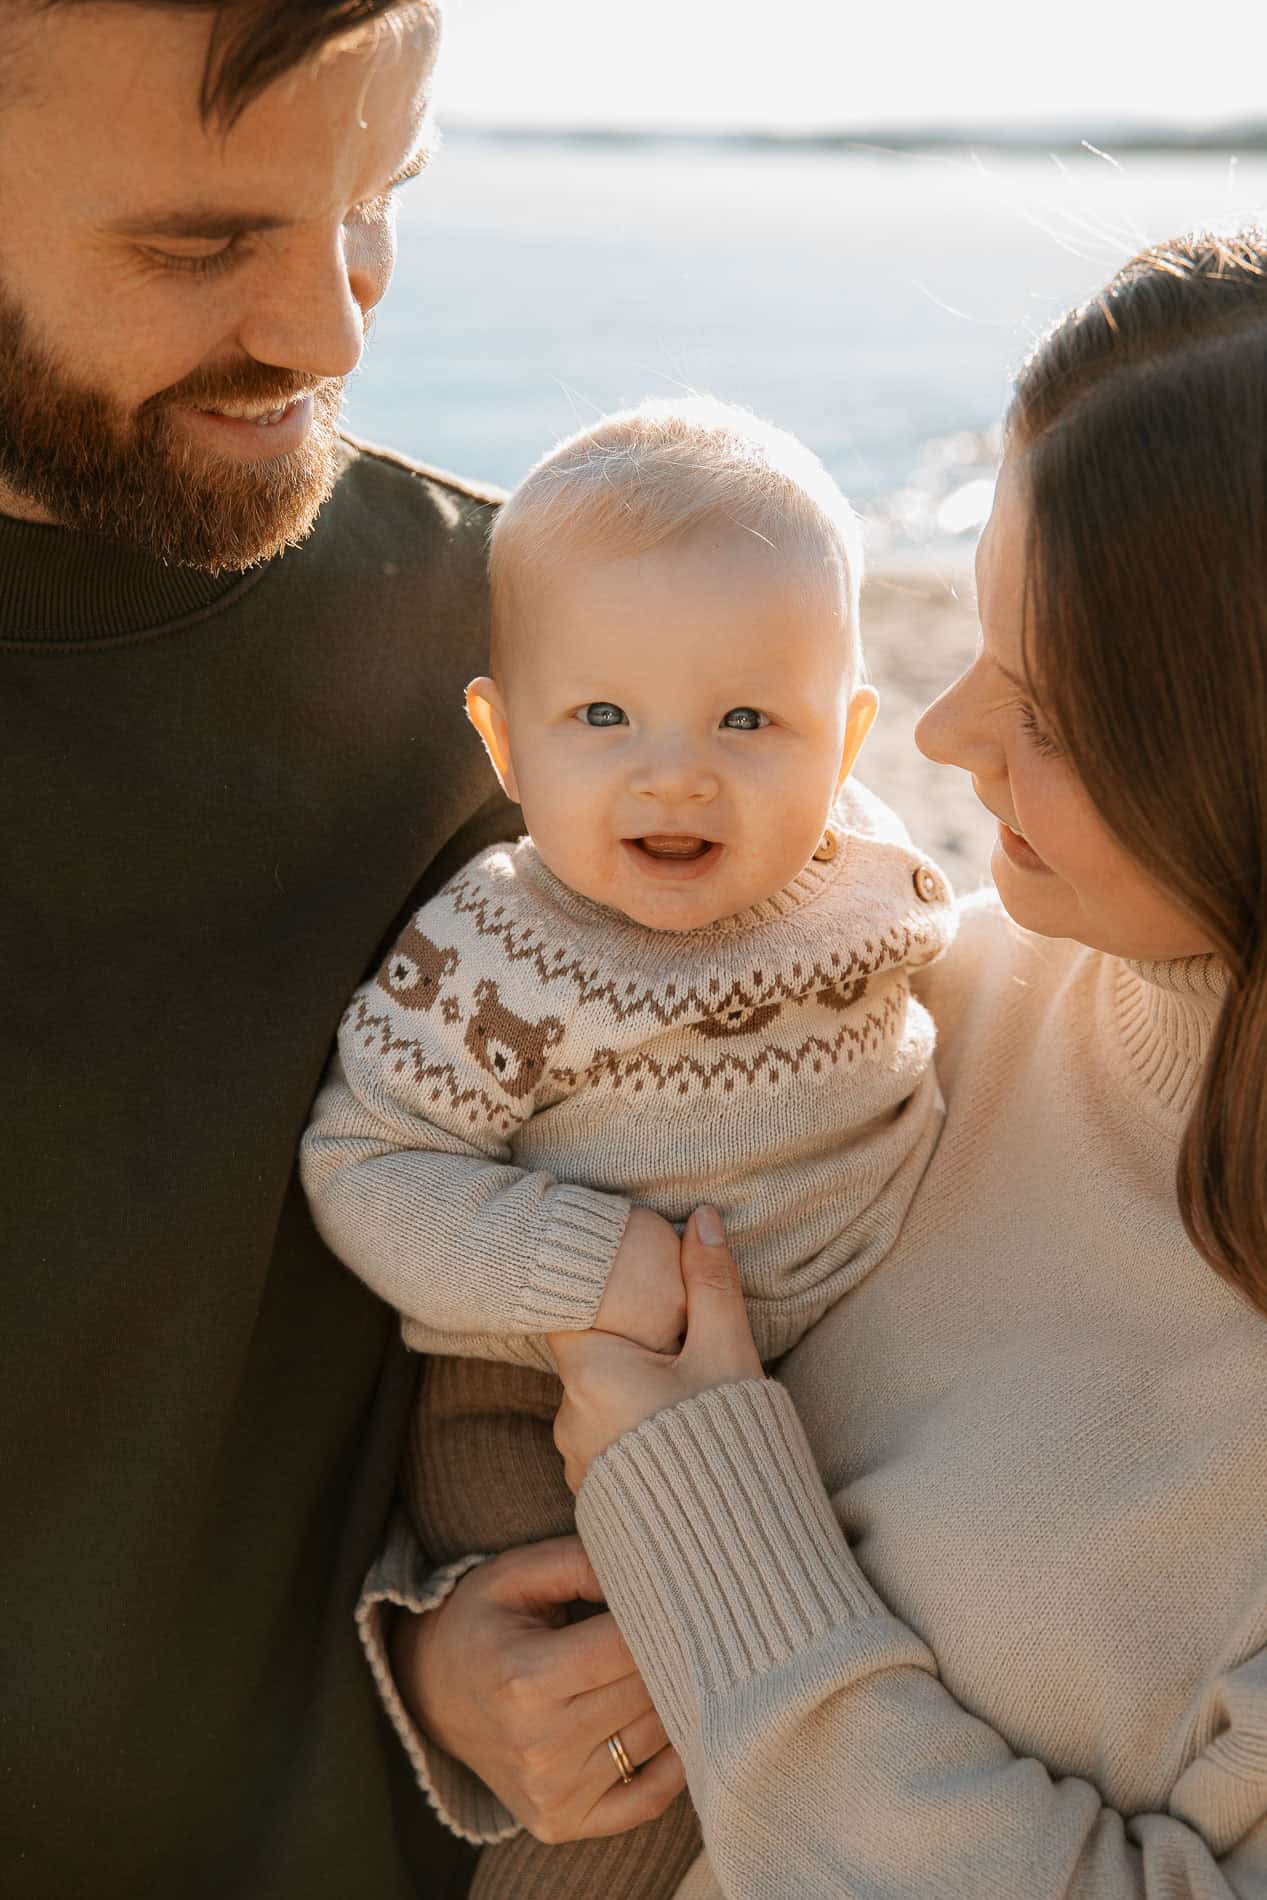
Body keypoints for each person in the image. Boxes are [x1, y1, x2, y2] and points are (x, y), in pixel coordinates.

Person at [3, 3, 681, 1892]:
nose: (334, 329)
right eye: (201, 245)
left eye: (378, 202)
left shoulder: (523, 673)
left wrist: (446, 1643)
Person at [540, 229, 1267, 1897]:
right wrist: (454, 1676)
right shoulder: (898, 998)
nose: (940, 737)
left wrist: (707, 1531)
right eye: (983, 633)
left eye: (1055, 710)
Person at [299, 396, 954, 1898]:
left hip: (815, 1381)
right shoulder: (497, 953)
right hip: (537, 1408)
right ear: (503, 738)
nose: (677, 776)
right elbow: (362, 1165)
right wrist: (591, 1266)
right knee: (630, 1739)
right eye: (602, 719)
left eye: (748, 720)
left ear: (845, 734)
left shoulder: (872, 885)